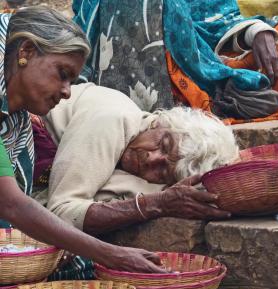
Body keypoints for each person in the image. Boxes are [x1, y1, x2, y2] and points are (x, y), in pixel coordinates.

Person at [0, 6, 166, 274]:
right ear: (26, 52)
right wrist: (113, 255)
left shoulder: (15, 123)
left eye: (72, 81)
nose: (67, 92)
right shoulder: (109, 117)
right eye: (62, 74)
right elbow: (10, 203)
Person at [33, 82, 238, 237]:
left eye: (164, 170)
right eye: (163, 144)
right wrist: (155, 205)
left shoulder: (146, 176)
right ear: (160, 123)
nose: (152, 158)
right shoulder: (112, 121)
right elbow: (60, 214)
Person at [72, 0, 278, 123]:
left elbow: (220, 20)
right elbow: (87, 27)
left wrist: (257, 32)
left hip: (211, 59)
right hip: (163, 72)